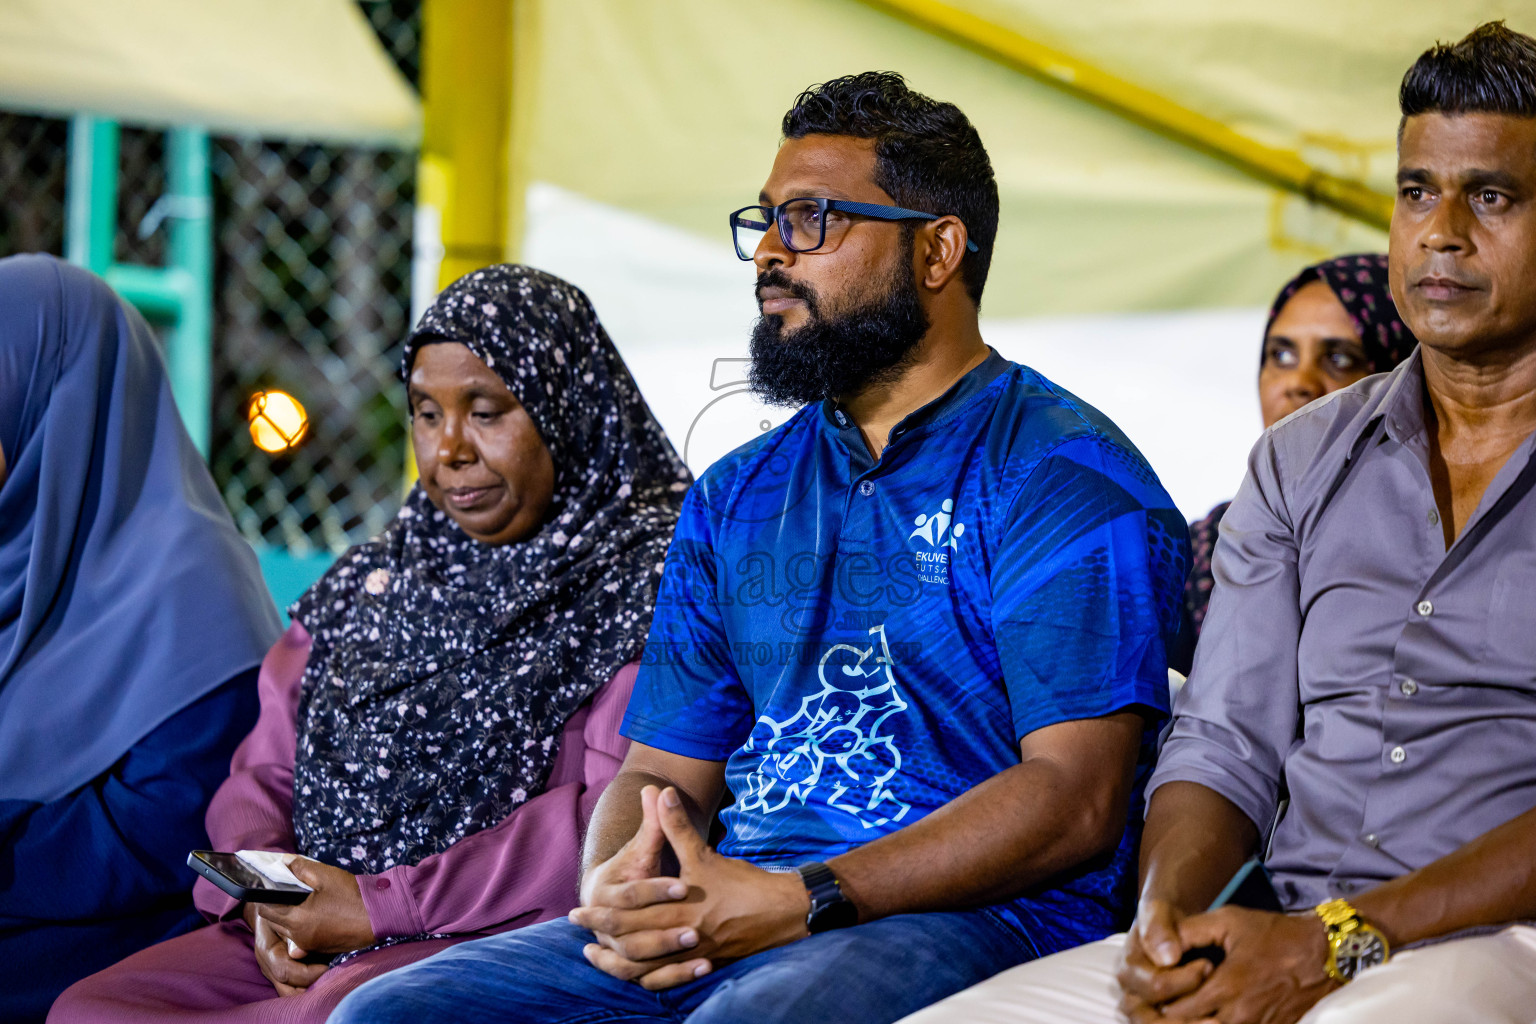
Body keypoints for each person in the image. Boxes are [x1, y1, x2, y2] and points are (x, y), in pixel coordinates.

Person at [330, 71, 1188, 1024]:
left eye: (814, 220)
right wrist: (625, 883)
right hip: (739, 898)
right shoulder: (736, 492)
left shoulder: (1062, 473)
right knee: (388, 1015)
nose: (771, 254)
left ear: (939, 250)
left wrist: (802, 897)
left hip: (971, 916)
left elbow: (1076, 797)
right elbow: (661, 771)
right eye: (767, 220)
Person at [902, 21, 1536, 1024]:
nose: (1442, 229)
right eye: (1418, 190)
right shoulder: (1299, 459)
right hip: (1280, 921)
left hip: (1496, 937)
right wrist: (1168, 920)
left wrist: (1341, 940)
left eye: (1490, 196)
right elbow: (1226, 739)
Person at [51, 266, 692, 1023]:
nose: (449, 447)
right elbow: (267, 764)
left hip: (484, 931)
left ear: (571, 413)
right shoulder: (378, 575)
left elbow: (606, 816)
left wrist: (379, 904)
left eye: (486, 412)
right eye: (426, 413)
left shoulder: (646, 582)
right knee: (93, 1008)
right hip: (316, 924)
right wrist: (265, 898)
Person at [0, 254, 282, 1023]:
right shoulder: (13, 549)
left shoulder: (190, 582)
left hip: (115, 933)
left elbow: (172, 831)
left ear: (58, 402)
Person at [1171, 254, 1418, 673]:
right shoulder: (1203, 552)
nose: (1299, 383)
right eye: (1281, 355)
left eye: (1339, 358)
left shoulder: (1435, 543)